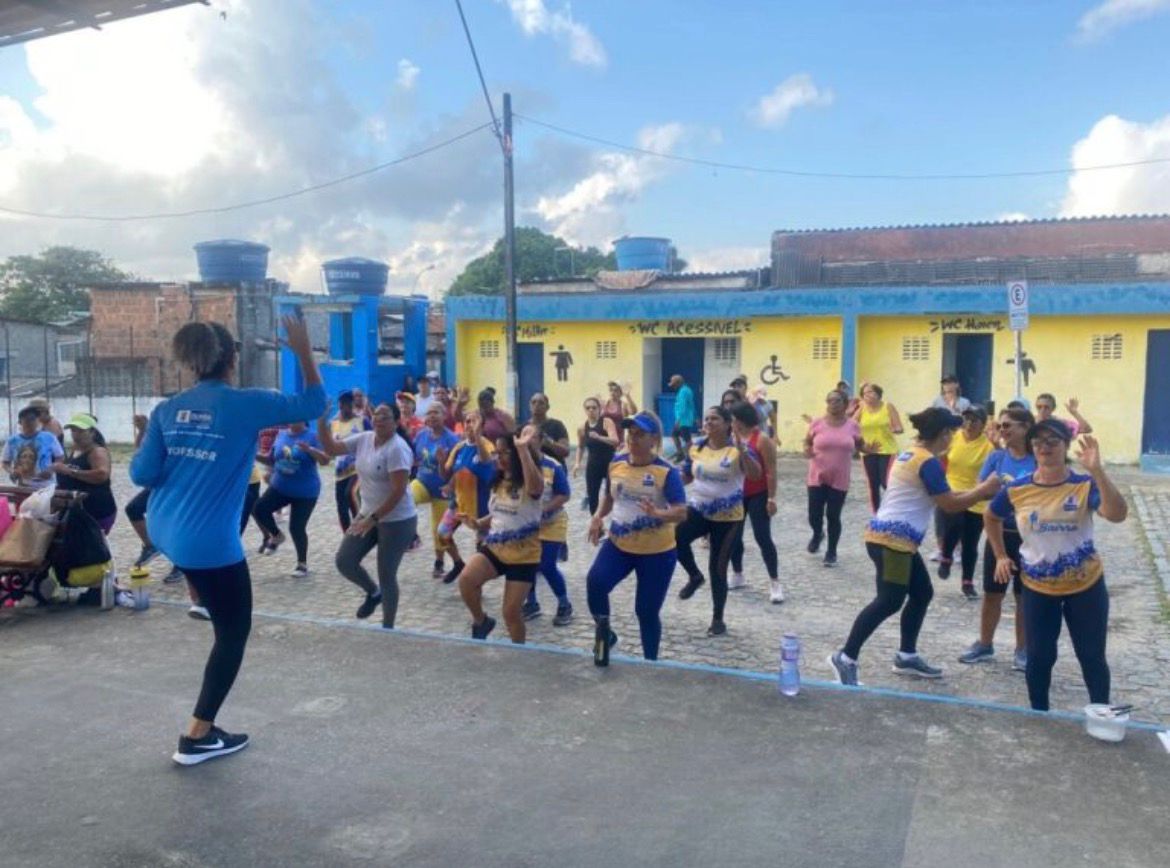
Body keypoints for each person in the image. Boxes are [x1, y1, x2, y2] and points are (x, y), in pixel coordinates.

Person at [130, 315, 325, 766]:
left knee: (208, 584)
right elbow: (315, 402)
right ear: (232, 359)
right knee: (234, 631)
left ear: (191, 361)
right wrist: (303, 352)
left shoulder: (167, 409)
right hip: (207, 543)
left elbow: (141, 473)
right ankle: (198, 736)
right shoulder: (247, 404)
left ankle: (200, 597)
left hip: (164, 529)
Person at [827, 408, 1001, 687]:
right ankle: (846, 657)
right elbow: (949, 504)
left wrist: (981, 492)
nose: (952, 440)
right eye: (951, 434)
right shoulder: (927, 462)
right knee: (889, 600)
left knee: (922, 593)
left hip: (895, 539)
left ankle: (906, 655)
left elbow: (944, 495)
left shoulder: (911, 454)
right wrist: (983, 490)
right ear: (943, 434)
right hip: (892, 541)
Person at [984, 423, 1127, 711]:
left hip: (1085, 585)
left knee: (1091, 655)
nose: (1045, 447)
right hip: (1038, 587)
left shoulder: (1083, 485)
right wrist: (1000, 555)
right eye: (1038, 442)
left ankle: (1101, 714)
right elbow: (991, 515)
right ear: (1031, 447)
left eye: (1053, 441)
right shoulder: (1017, 489)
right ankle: (1040, 714)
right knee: (1039, 657)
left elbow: (1117, 514)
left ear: (1066, 445)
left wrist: (1097, 471)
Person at [586, 411, 687, 662]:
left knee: (646, 611)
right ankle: (606, 636)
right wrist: (598, 516)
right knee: (596, 583)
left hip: (657, 553)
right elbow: (609, 497)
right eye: (631, 433)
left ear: (654, 439)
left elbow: (681, 512)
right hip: (619, 545)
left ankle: (650, 664)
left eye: (640, 434)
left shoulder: (666, 471)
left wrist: (659, 513)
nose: (633, 438)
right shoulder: (616, 463)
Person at [317, 402, 417, 627]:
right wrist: (322, 421)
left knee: (387, 574)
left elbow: (399, 491)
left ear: (396, 422)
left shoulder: (397, 449)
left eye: (386, 416)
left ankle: (387, 628)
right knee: (344, 561)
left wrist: (373, 520)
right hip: (367, 513)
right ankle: (373, 592)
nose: (379, 419)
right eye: (377, 415)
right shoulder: (364, 439)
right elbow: (332, 449)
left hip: (397, 520)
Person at [958, 406, 1038, 668]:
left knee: (1024, 596)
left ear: (1026, 428)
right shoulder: (996, 458)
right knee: (992, 593)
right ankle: (984, 644)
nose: (1002, 430)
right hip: (999, 533)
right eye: (1000, 426)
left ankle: (1023, 649)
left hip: (1030, 537)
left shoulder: (1038, 459)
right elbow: (984, 490)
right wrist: (997, 490)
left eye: (1008, 425)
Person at [675, 404, 762, 636]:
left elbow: (755, 475)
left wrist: (743, 452)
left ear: (727, 424)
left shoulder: (737, 448)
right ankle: (694, 576)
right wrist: (667, 484)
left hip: (728, 517)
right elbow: (686, 475)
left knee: (718, 567)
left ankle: (717, 618)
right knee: (674, 538)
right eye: (706, 419)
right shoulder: (697, 446)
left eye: (714, 419)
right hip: (699, 509)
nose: (709, 422)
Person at [458, 426, 545, 644]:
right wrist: (477, 523)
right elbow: (498, 512)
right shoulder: (498, 479)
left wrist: (523, 450)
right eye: (497, 453)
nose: (499, 457)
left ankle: (519, 651)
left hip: (524, 555)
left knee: (511, 613)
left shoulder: (530, 479)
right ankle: (481, 621)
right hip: (496, 547)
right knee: (467, 580)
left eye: (505, 452)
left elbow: (536, 489)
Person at [252, 421, 328, 577]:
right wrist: (253, 455)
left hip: (305, 491)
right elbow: (271, 459)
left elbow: (325, 460)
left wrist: (310, 450)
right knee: (259, 509)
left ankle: (302, 564)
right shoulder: (281, 435)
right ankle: (277, 536)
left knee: (296, 527)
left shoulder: (312, 436)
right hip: (280, 487)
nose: (293, 420)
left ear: (303, 418)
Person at [728, 401, 783, 603]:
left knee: (762, 536)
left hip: (758, 493)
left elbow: (771, 470)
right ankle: (737, 573)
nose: (732, 422)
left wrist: (771, 497)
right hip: (736, 494)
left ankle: (774, 581)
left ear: (741, 420)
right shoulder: (730, 438)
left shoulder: (761, 440)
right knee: (734, 537)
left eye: (734, 419)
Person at [937, 405, 995, 598]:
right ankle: (946, 556)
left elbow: (996, 468)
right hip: (952, 489)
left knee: (971, 541)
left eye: (974, 421)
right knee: (954, 524)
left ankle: (967, 581)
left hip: (976, 494)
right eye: (966, 420)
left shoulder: (988, 446)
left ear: (983, 424)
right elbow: (940, 455)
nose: (969, 424)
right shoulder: (953, 437)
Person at [804, 390, 866, 566]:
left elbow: (860, 444)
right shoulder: (817, 423)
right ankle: (817, 534)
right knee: (814, 514)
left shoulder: (853, 425)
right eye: (829, 400)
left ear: (845, 403)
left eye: (837, 400)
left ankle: (831, 552)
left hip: (840, 477)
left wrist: (869, 449)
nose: (832, 403)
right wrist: (806, 449)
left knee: (833, 515)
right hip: (817, 475)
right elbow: (807, 441)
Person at [438, 410, 496, 583]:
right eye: (468, 421)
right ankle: (458, 564)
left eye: (474, 421)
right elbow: (448, 473)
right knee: (442, 533)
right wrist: (441, 463)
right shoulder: (459, 447)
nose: (470, 424)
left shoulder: (488, 446)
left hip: (481, 506)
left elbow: (486, 461)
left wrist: (477, 436)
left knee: (481, 549)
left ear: (482, 426)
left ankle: (477, 581)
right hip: (459, 503)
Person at [522, 451, 574, 625]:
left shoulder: (553, 465)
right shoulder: (517, 464)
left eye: (532, 439)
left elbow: (564, 494)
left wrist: (544, 510)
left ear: (540, 440)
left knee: (547, 565)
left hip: (553, 522)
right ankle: (531, 602)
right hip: (528, 523)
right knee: (527, 563)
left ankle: (564, 603)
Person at [410, 403, 461, 578]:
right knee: (407, 497)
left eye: (436, 413)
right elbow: (413, 456)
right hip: (422, 482)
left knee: (438, 530)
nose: (431, 416)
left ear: (444, 415)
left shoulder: (452, 440)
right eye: (429, 413)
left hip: (442, 490)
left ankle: (439, 563)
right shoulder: (421, 435)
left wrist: (451, 484)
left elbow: (458, 467)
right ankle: (411, 535)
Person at [50, 413, 116, 534]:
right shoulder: (76, 449)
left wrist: (70, 472)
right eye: (73, 431)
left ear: (92, 432)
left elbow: (102, 475)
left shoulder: (97, 451)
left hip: (96, 509)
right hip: (77, 509)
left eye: (81, 431)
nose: (76, 434)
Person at [852, 382, 903, 512]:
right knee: (872, 484)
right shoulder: (862, 409)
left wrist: (895, 429)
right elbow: (851, 425)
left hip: (887, 450)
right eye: (864, 393)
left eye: (870, 392)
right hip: (868, 450)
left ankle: (894, 510)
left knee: (886, 482)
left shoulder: (888, 406)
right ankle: (877, 514)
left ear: (878, 394)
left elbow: (899, 427)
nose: (867, 395)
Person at [330, 391, 371, 532]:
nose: (346, 407)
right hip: (340, 470)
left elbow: (372, 439)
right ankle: (347, 536)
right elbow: (330, 447)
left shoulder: (362, 421)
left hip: (358, 467)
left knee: (350, 493)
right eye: (343, 404)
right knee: (341, 507)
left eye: (349, 404)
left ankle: (360, 526)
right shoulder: (334, 423)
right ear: (339, 405)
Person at [574, 396, 619, 516]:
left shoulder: (606, 422)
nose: (591, 410)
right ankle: (595, 521)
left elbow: (615, 441)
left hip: (609, 463)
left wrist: (599, 437)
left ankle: (615, 519)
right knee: (592, 496)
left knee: (611, 494)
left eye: (594, 408)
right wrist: (577, 463)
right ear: (585, 410)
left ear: (599, 409)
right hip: (593, 464)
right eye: (588, 408)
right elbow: (580, 446)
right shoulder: (582, 428)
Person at [3, 405, 64, 489]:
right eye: (26, 419)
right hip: (23, 487)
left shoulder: (49, 437)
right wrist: (12, 472)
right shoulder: (12, 441)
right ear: (20, 422)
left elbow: (60, 457)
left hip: (46, 487)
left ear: (38, 421)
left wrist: (51, 469)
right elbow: (5, 462)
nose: (30, 422)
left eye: (33, 419)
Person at [528, 392, 570, 469]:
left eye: (541, 403)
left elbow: (566, 451)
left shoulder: (557, 425)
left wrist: (550, 443)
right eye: (533, 402)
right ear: (529, 406)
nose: (536, 405)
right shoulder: (524, 428)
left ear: (547, 407)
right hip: (532, 469)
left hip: (554, 469)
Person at [669, 374, 696, 459]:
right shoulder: (687, 390)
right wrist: (695, 417)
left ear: (678, 383)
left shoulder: (683, 392)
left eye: (674, 385)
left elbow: (682, 407)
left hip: (683, 420)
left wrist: (678, 420)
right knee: (675, 435)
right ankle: (681, 453)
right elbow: (692, 405)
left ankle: (690, 456)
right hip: (686, 419)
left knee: (687, 439)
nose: (673, 387)